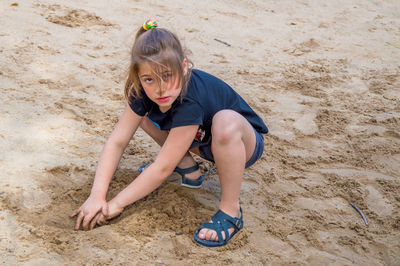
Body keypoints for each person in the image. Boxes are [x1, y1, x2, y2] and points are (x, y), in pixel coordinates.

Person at [71, 19, 268, 247]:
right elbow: (117, 142)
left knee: (224, 122)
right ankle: (187, 170)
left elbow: (161, 168)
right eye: (149, 79)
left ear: (184, 67)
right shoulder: (142, 91)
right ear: (139, 76)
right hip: (200, 139)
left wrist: (116, 204)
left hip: (241, 144)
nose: (160, 88)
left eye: (167, 75)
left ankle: (231, 211)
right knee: (141, 116)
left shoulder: (190, 100)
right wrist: (97, 195)